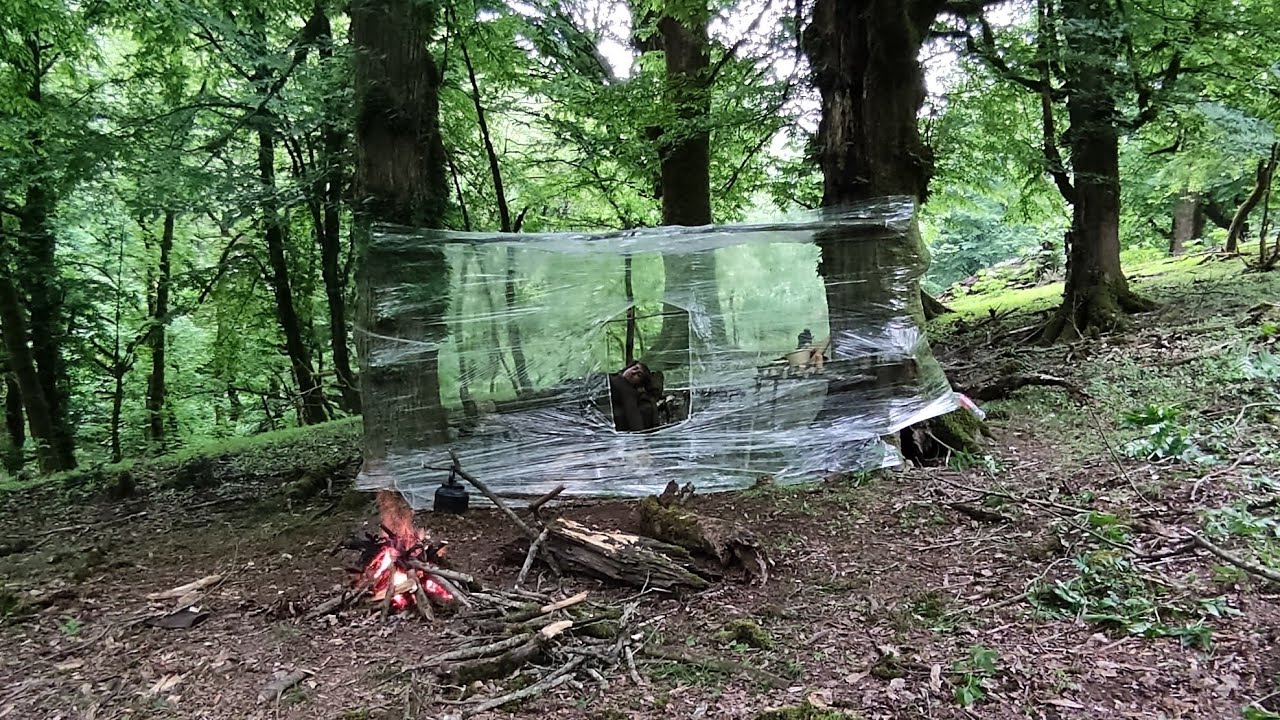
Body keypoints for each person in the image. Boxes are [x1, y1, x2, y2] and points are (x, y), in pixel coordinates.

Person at [609, 361, 658, 432]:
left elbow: (633, 416)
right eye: (635, 368)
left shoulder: (627, 390)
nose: (633, 372)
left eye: (639, 374)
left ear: (639, 383)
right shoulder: (612, 376)